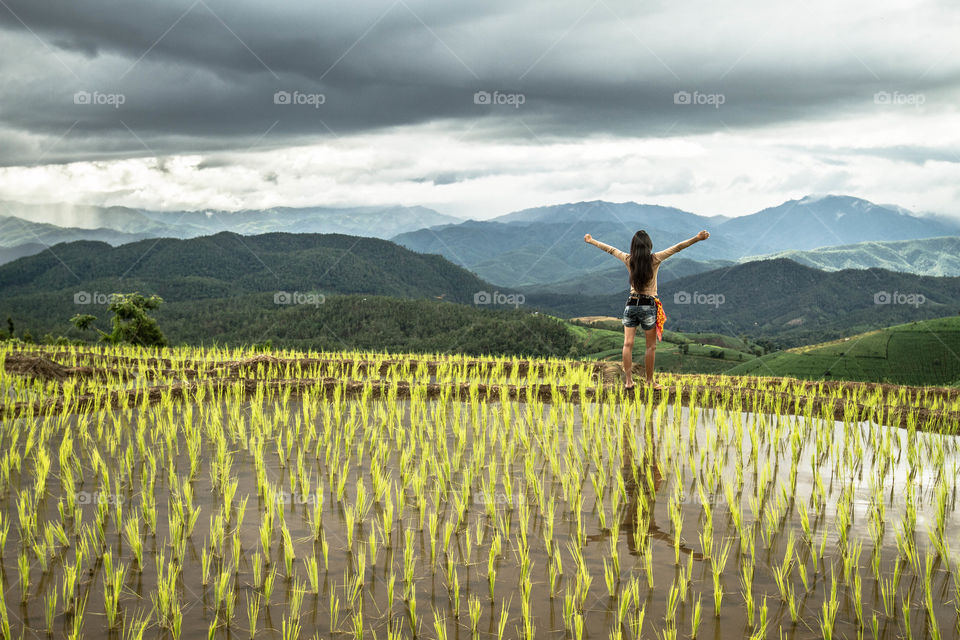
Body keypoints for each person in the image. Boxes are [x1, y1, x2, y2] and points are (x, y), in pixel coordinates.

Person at [584, 229, 710, 389]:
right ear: (649, 245)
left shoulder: (628, 259)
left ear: (633, 247)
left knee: (627, 344)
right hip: (648, 305)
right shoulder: (655, 259)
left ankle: (628, 381)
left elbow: (610, 249)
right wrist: (697, 238)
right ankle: (650, 382)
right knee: (650, 346)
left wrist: (591, 240)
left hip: (631, 304)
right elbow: (677, 247)